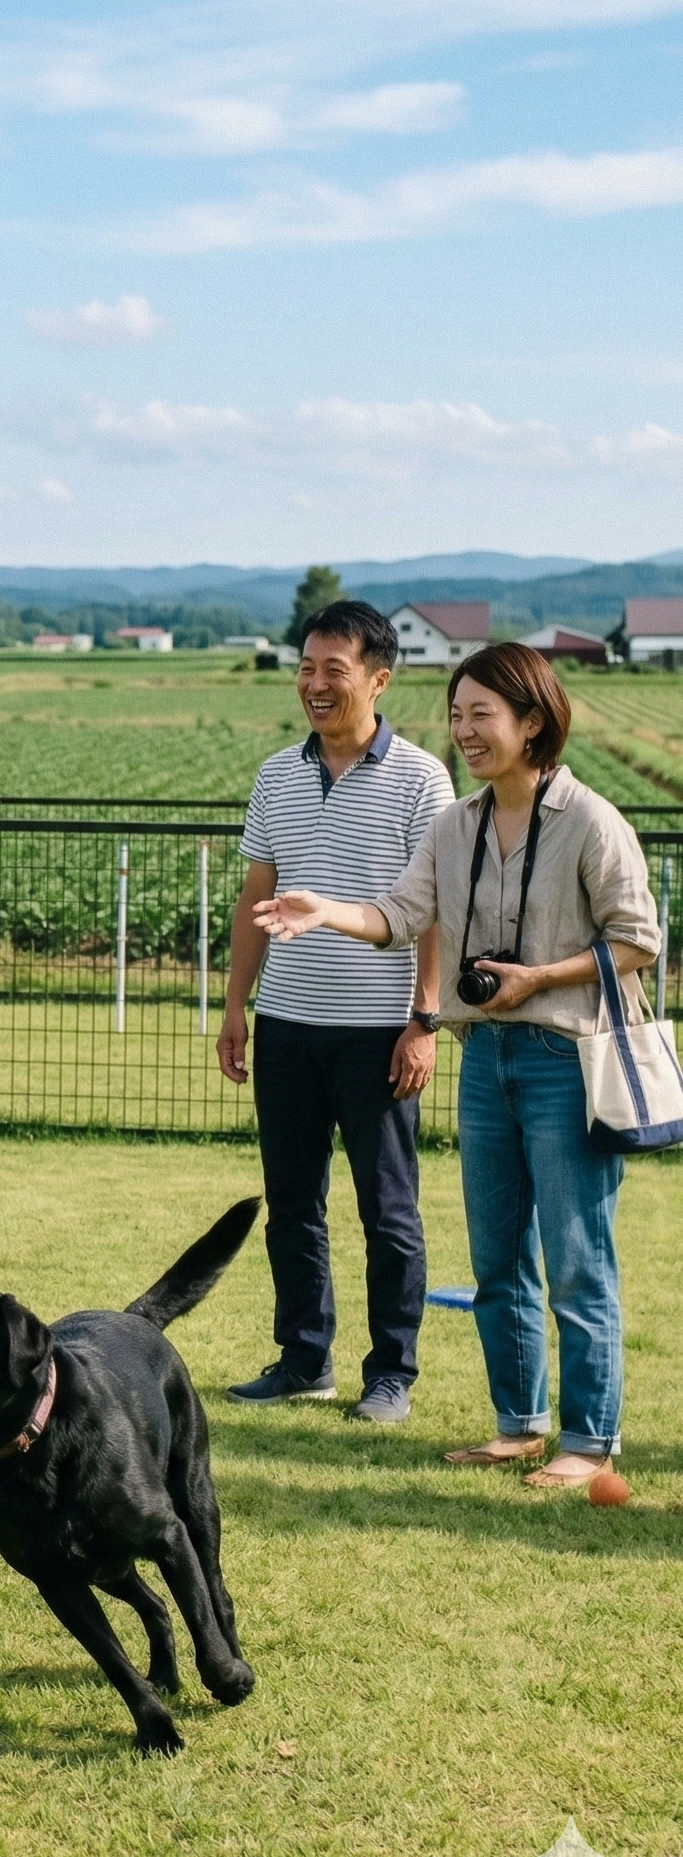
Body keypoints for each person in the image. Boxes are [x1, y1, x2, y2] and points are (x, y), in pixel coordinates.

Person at [254, 642, 659, 1487]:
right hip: (487, 1059)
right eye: (457, 715)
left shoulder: (590, 820)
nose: (465, 731)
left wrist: (540, 978)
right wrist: (325, 909)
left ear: (533, 721)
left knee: (578, 1259)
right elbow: (400, 916)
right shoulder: (457, 824)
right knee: (497, 1258)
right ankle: (519, 1424)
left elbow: (637, 942)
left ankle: (590, 1442)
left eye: (482, 715)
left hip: (566, 1059)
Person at [218, 600, 455, 1422]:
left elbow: (434, 911)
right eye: (307, 668)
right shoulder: (277, 774)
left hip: (379, 1034)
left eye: (335, 670)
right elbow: (257, 895)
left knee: (387, 1210)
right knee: (293, 1204)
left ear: (379, 679)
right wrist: (235, 1008)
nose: (315, 685)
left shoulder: (423, 778)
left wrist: (424, 1020)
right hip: (286, 1025)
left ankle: (392, 1373)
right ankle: (303, 1359)